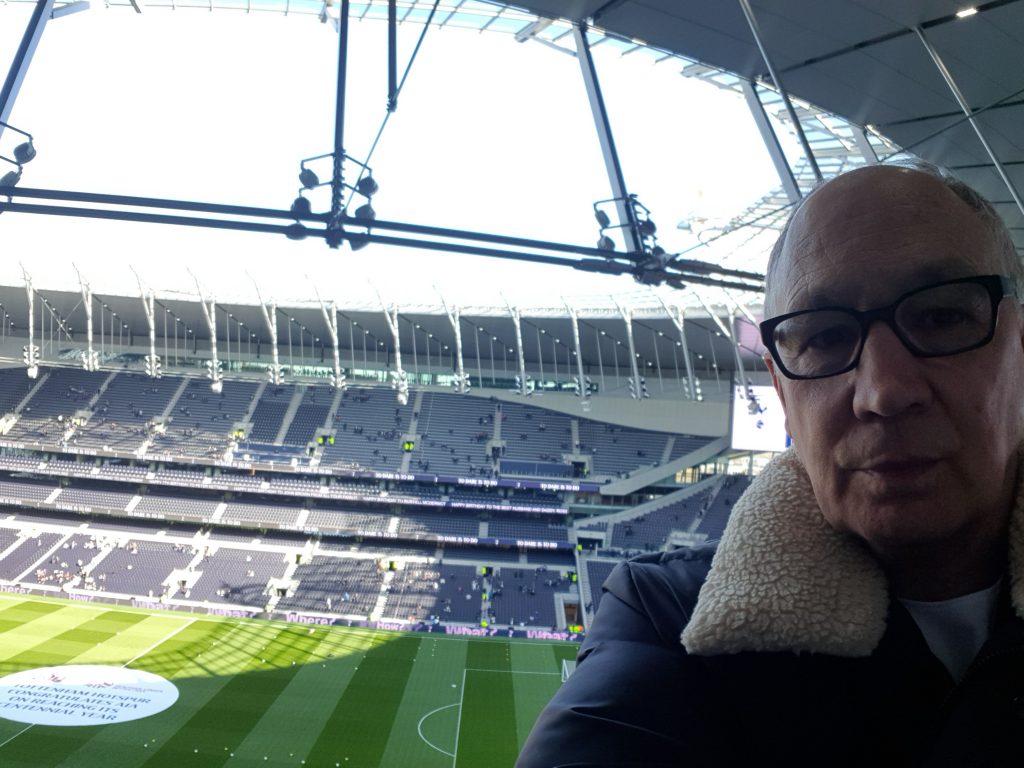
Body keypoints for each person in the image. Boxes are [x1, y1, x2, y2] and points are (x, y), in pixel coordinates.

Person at [517, 163, 1024, 767]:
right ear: (782, 392)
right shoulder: (668, 619)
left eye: (942, 316)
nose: (883, 392)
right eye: (823, 336)